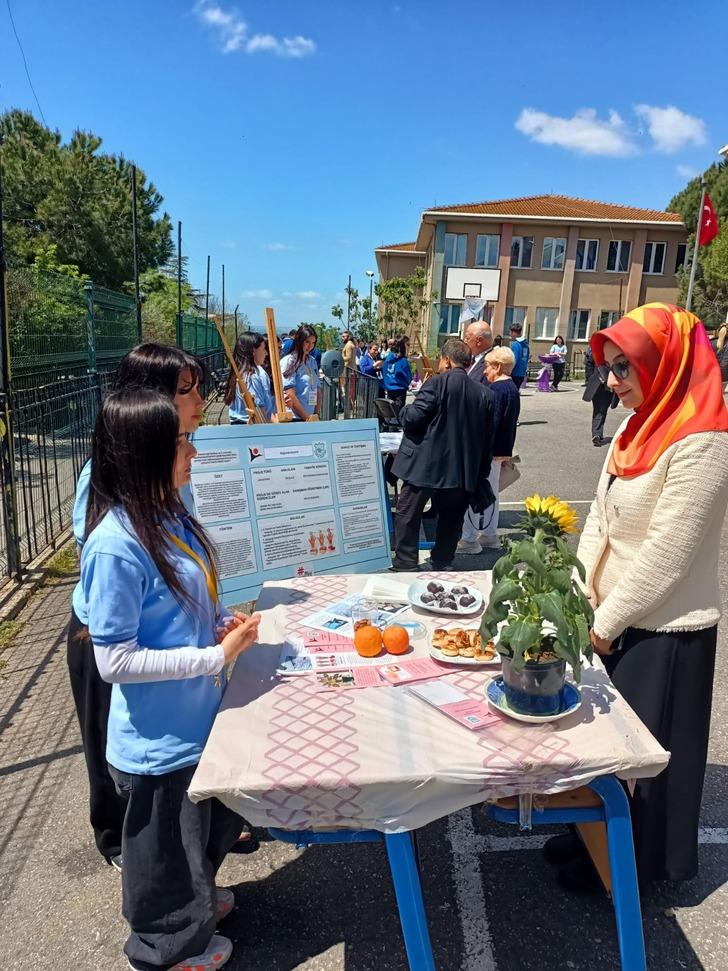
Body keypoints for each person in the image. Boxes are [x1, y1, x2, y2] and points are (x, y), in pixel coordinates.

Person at [81, 387, 261, 970]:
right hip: (156, 743)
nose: (193, 450)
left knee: (195, 839)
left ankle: (197, 905)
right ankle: (166, 950)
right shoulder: (115, 545)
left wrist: (214, 625)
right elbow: (116, 661)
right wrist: (214, 658)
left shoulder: (167, 513)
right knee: (163, 858)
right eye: (181, 441)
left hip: (193, 724)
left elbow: (174, 614)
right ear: (142, 454)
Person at [552, 302, 728, 894]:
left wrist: (603, 625)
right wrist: (580, 597)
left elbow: (668, 554)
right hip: (609, 616)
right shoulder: (633, 426)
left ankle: (636, 874)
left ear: (666, 364)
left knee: (647, 765)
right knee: (603, 752)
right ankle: (591, 845)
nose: (612, 381)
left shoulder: (703, 441)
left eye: (625, 367)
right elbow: (599, 518)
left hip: (664, 630)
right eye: (607, 366)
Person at [68, 343, 206, 872]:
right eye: (185, 390)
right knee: (112, 743)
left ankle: (185, 830)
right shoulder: (106, 478)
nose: (197, 400)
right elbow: (106, 560)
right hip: (106, 627)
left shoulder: (173, 458)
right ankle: (124, 843)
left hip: (160, 617)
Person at [390, 338, 494, 571]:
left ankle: (406, 562)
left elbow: (412, 418)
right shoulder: (484, 394)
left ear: (446, 360)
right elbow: (488, 441)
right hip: (461, 469)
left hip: (424, 466)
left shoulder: (436, 383)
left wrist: (404, 409)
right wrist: (481, 474)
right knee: (451, 518)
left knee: (408, 513)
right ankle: (443, 560)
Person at [457, 347, 520, 553]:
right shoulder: (512, 389)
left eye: (487, 366)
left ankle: (469, 538)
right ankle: (489, 535)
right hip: (500, 451)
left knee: (476, 492)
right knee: (492, 492)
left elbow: (489, 425)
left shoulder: (496, 391)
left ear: (498, 367)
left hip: (488, 451)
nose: (484, 371)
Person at [223, 331, 276, 423]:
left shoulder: (240, 374)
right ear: (253, 351)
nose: (266, 353)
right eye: (263, 349)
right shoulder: (252, 377)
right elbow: (259, 411)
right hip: (253, 427)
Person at [281, 324, 320, 420]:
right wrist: (306, 418)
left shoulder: (312, 361)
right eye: (307, 342)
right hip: (295, 418)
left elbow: (317, 389)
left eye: (313, 343)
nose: (310, 346)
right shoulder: (289, 361)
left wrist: (316, 414)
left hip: (311, 417)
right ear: (299, 341)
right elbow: (290, 394)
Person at [583, 343, 618, 446]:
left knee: (602, 408)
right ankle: (597, 434)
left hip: (609, 384)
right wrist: (590, 378)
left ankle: (597, 433)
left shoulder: (614, 350)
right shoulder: (595, 350)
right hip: (597, 384)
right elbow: (588, 363)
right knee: (599, 409)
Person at [382, 337, 412, 414]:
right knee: (398, 413)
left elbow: (384, 371)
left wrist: (387, 384)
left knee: (390, 411)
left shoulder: (388, 359)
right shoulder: (403, 361)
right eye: (408, 345)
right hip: (400, 390)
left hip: (389, 389)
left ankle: (390, 425)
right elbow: (408, 376)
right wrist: (406, 384)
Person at [509, 323, 529, 389]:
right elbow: (526, 358)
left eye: (511, 332)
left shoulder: (515, 344)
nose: (510, 334)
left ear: (514, 332)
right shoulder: (526, 344)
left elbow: (514, 359)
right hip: (522, 373)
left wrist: (508, 371)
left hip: (514, 373)